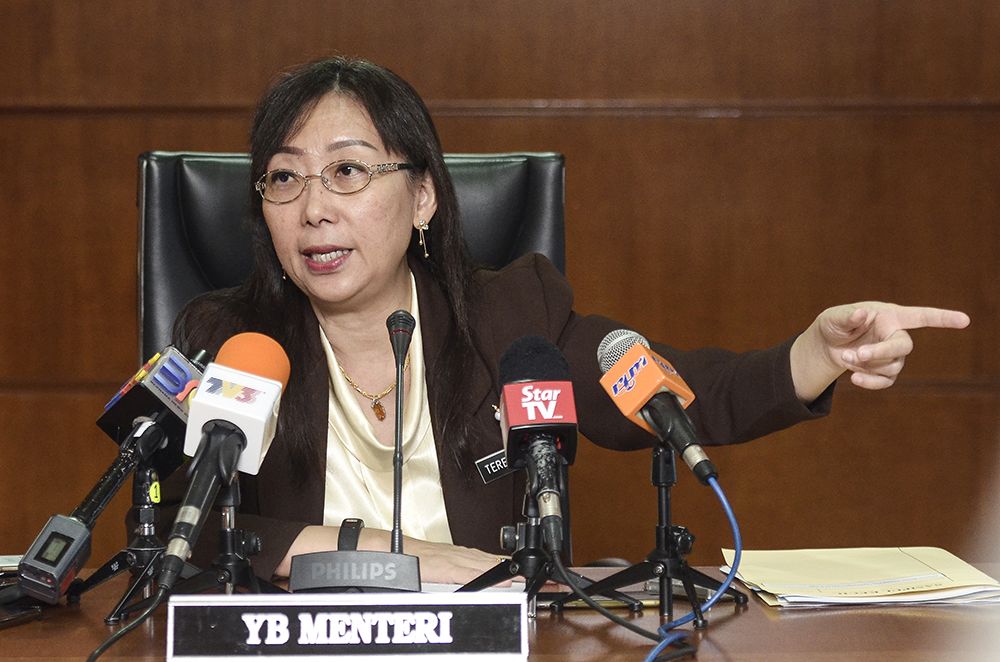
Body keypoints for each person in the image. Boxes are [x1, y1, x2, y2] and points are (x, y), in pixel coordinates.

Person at [170, 56, 970, 585]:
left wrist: (812, 353)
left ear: (422, 198)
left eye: (347, 171)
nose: (313, 209)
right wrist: (401, 558)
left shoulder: (514, 317)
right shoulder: (228, 342)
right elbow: (172, 538)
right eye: (284, 178)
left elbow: (675, 393)